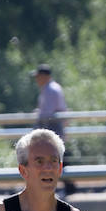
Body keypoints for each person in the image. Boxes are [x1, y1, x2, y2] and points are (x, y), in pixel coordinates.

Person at [31, 64, 74, 195]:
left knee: (57, 157)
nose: (37, 79)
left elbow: (47, 113)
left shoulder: (50, 90)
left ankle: (69, 186)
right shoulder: (51, 88)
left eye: (38, 76)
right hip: (54, 125)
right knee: (58, 156)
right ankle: (68, 186)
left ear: (45, 76)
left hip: (52, 126)